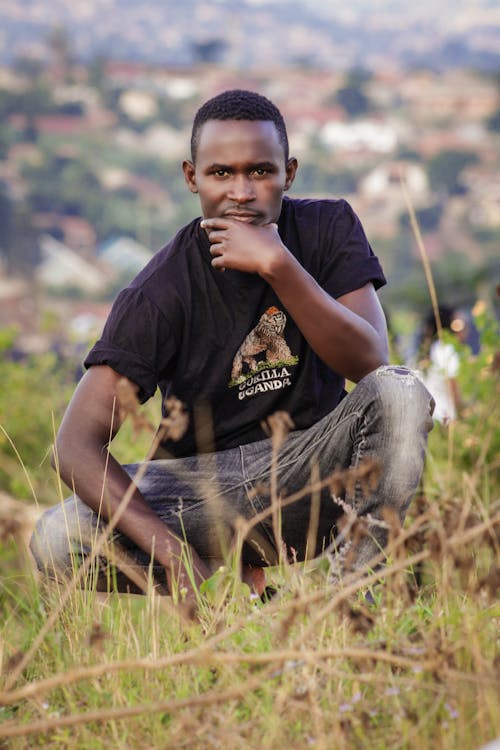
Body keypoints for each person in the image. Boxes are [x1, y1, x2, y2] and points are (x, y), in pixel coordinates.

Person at [30, 90, 434, 611]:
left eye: (260, 172)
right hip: (203, 491)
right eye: (220, 173)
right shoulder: (161, 289)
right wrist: (172, 555)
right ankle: (239, 607)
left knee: (400, 391)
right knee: (57, 537)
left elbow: (370, 363)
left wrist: (279, 265)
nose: (241, 192)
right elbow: (76, 445)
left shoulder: (328, 229)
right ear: (191, 177)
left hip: (311, 466)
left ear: (288, 173)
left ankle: (357, 607)